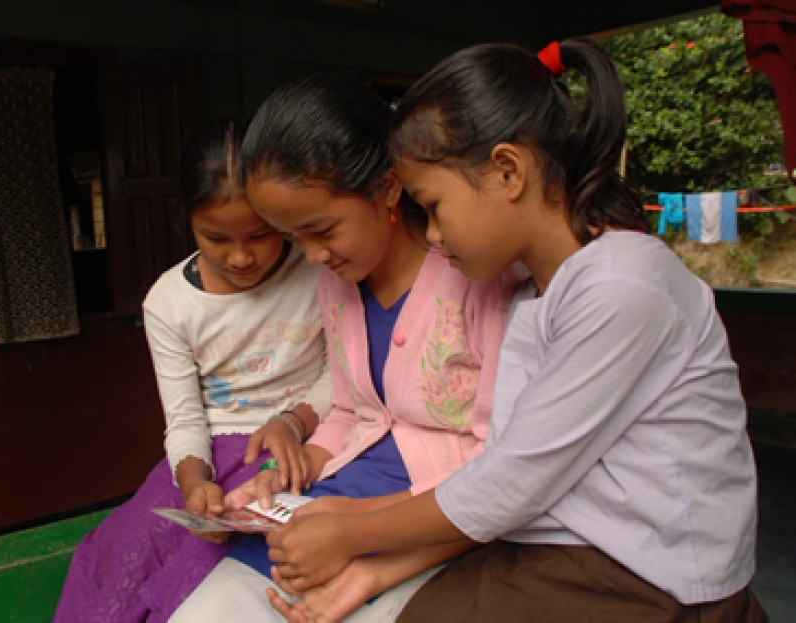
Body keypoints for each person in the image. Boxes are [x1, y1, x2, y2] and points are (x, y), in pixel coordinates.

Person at [264, 39, 769, 623]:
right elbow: (510, 483)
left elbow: (509, 485)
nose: (430, 235)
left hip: (657, 572)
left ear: (508, 171)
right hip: (568, 545)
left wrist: (355, 535)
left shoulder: (622, 286)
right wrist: (370, 563)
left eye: (433, 206)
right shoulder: (535, 290)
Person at [169, 73, 521, 622]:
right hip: (332, 509)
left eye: (322, 230)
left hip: (431, 527)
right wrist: (294, 475)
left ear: (387, 188)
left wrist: (353, 531)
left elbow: (504, 465)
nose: (310, 256)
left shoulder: (476, 276)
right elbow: (354, 412)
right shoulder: (339, 281)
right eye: (292, 237)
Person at [53, 117, 331, 623]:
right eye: (216, 237)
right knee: (120, 554)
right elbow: (184, 418)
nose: (241, 256)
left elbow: (347, 373)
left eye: (261, 234)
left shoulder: (319, 270)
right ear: (188, 221)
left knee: (205, 565)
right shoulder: (169, 303)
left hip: (302, 442)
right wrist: (194, 482)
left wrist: (293, 423)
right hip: (211, 449)